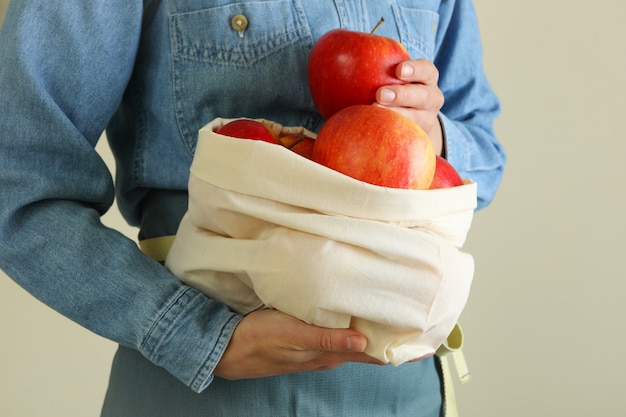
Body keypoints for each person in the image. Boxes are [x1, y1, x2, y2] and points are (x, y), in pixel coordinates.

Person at [0, 1, 505, 416]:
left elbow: (483, 154)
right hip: (208, 393)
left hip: (406, 395)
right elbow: (17, 182)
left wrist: (429, 135)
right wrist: (195, 334)